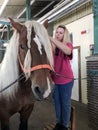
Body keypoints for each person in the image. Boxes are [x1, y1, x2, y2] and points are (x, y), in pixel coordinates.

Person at [50, 25, 74, 130]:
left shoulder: (67, 44)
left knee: (65, 103)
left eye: (60, 32)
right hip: (55, 81)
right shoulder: (51, 46)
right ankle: (59, 122)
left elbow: (68, 52)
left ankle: (64, 125)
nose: (58, 34)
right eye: (57, 32)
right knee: (57, 103)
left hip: (66, 80)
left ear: (64, 35)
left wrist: (51, 39)